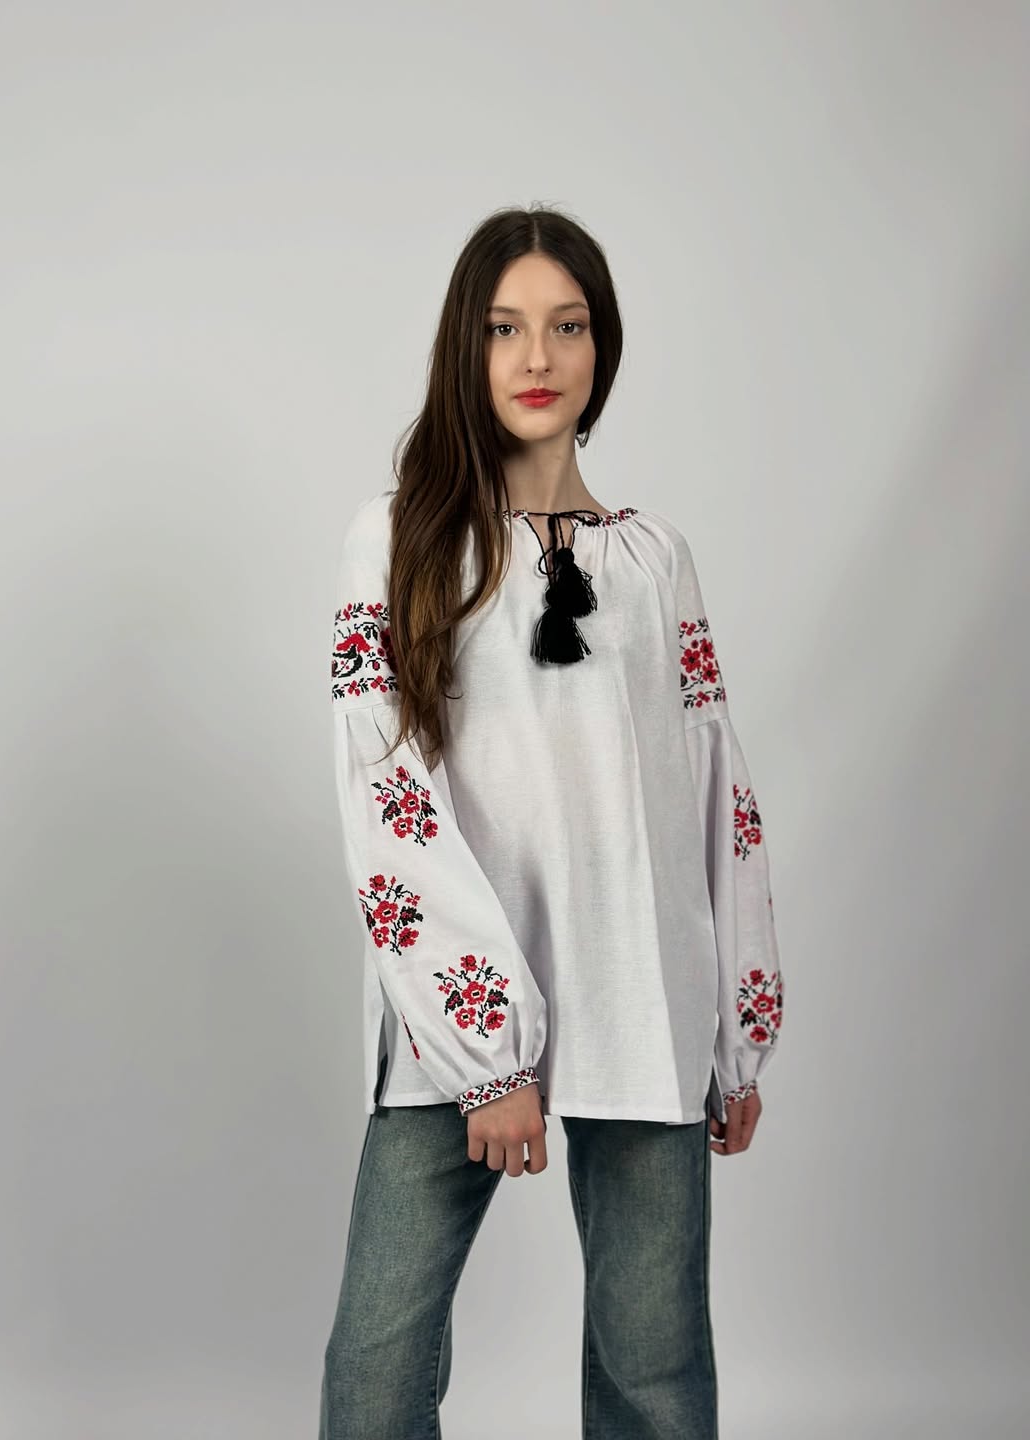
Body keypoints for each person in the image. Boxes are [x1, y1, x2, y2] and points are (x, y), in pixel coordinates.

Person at [319, 204, 784, 1439]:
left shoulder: (657, 560)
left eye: (567, 327)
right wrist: (490, 1053)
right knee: (376, 1373)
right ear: (464, 351)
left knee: (655, 1377)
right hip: (456, 1021)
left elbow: (714, 790)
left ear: (601, 347)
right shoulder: (401, 540)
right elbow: (387, 792)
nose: (537, 358)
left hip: (645, 1001)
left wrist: (734, 1030)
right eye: (504, 329)